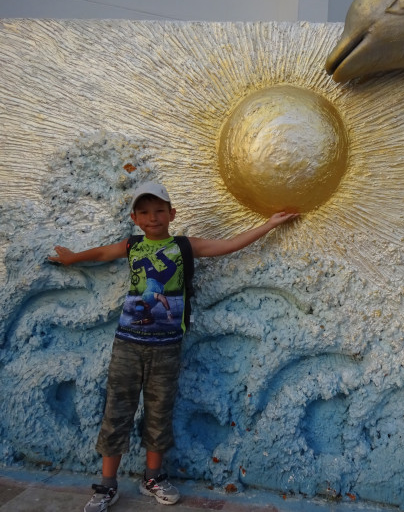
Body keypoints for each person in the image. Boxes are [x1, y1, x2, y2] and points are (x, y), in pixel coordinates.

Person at [48, 182, 298, 511]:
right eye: (144, 212)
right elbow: (102, 254)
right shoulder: (132, 246)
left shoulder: (184, 246)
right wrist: (72, 259)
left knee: (159, 411)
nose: (152, 218)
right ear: (135, 219)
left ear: (172, 214)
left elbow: (229, 245)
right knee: (117, 411)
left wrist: (269, 224)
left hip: (167, 347)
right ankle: (107, 485)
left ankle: (152, 477)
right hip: (127, 345)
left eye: (159, 211)